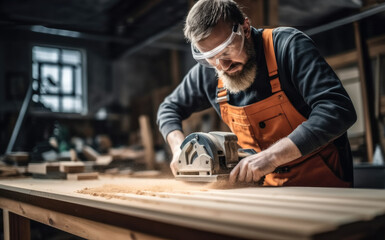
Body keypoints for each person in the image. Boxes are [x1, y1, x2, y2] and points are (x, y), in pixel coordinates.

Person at [157, 0, 357, 187]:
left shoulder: (287, 47)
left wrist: (271, 157)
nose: (222, 66)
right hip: (262, 189)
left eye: (226, 51)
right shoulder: (209, 72)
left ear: (244, 28)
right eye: (210, 57)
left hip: (322, 184)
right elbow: (169, 108)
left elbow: (337, 110)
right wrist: (179, 150)